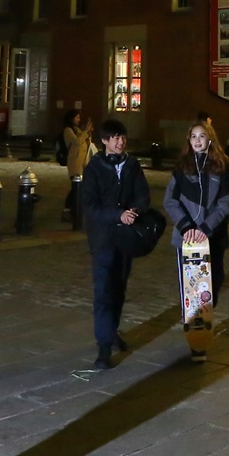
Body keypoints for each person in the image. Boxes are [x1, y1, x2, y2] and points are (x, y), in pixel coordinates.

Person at [81, 118, 148, 369]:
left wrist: (135, 210)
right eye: (115, 137)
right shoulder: (95, 168)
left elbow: (143, 194)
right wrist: (116, 215)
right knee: (103, 291)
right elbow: (89, 206)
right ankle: (104, 346)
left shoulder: (132, 165)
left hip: (126, 238)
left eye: (123, 137)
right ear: (105, 141)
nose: (120, 141)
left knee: (119, 287)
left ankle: (112, 330)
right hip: (102, 238)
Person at [166, 122, 229, 362]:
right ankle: (197, 344)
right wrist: (187, 228)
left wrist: (206, 229)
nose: (197, 140)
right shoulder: (181, 167)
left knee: (212, 285)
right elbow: (170, 202)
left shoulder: (221, 167)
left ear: (210, 139)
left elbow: (225, 203)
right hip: (187, 240)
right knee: (192, 290)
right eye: (193, 136)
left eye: (202, 136)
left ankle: (204, 323)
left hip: (212, 238)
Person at [61, 109, 92, 222]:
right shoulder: (68, 131)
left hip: (82, 162)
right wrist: (85, 132)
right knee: (75, 188)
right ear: (71, 119)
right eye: (77, 117)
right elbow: (77, 142)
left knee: (79, 188)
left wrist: (88, 132)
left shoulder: (78, 130)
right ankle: (68, 210)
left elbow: (85, 142)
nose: (79, 120)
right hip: (74, 162)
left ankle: (73, 210)